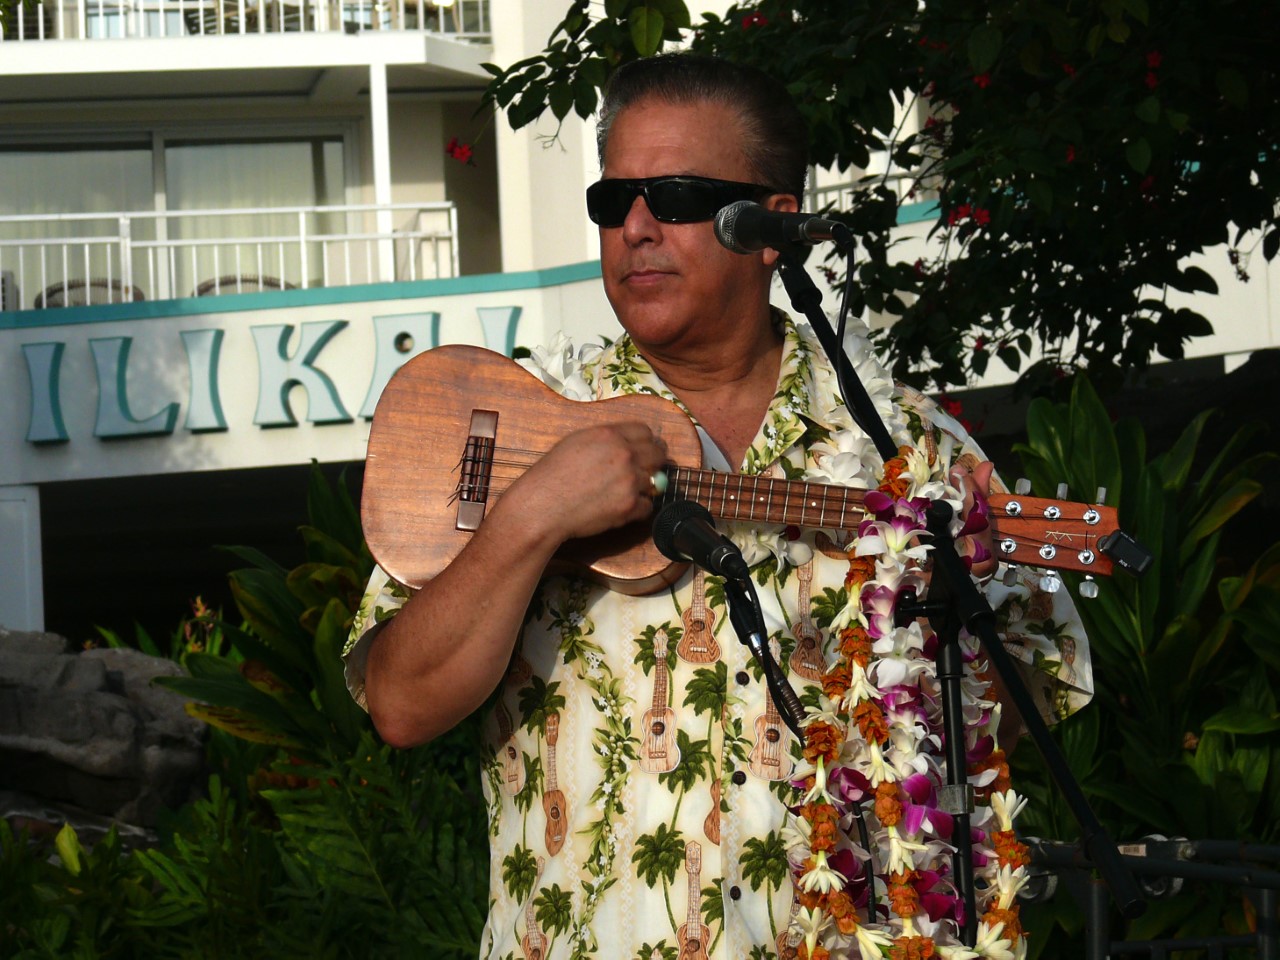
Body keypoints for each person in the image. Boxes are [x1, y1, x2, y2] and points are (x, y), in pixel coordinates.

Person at [343, 53, 1092, 960]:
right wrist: (531, 517)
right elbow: (400, 705)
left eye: (678, 195)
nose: (637, 227)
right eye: (613, 201)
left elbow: (1019, 724)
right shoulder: (518, 424)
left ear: (773, 227)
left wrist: (954, 619)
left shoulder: (910, 451)